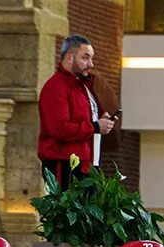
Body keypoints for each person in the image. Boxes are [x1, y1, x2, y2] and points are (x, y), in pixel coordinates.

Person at [37, 34, 115, 189]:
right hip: (65, 164)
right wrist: (95, 126)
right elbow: (59, 128)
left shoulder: (82, 86)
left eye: (91, 58)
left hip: (88, 164)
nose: (91, 64)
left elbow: (81, 119)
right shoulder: (56, 87)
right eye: (85, 58)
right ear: (69, 58)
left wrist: (100, 119)